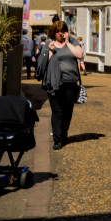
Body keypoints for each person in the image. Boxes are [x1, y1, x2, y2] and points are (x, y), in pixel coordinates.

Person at [38, 20, 84, 150]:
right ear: (54, 32)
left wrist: (68, 42)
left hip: (70, 83)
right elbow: (42, 64)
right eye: (58, 31)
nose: (61, 34)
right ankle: (57, 139)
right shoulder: (49, 43)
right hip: (54, 83)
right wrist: (51, 51)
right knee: (57, 111)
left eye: (63, 31)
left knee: (67, 111)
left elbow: (79, 55)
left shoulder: (73, 41)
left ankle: (64, 134)